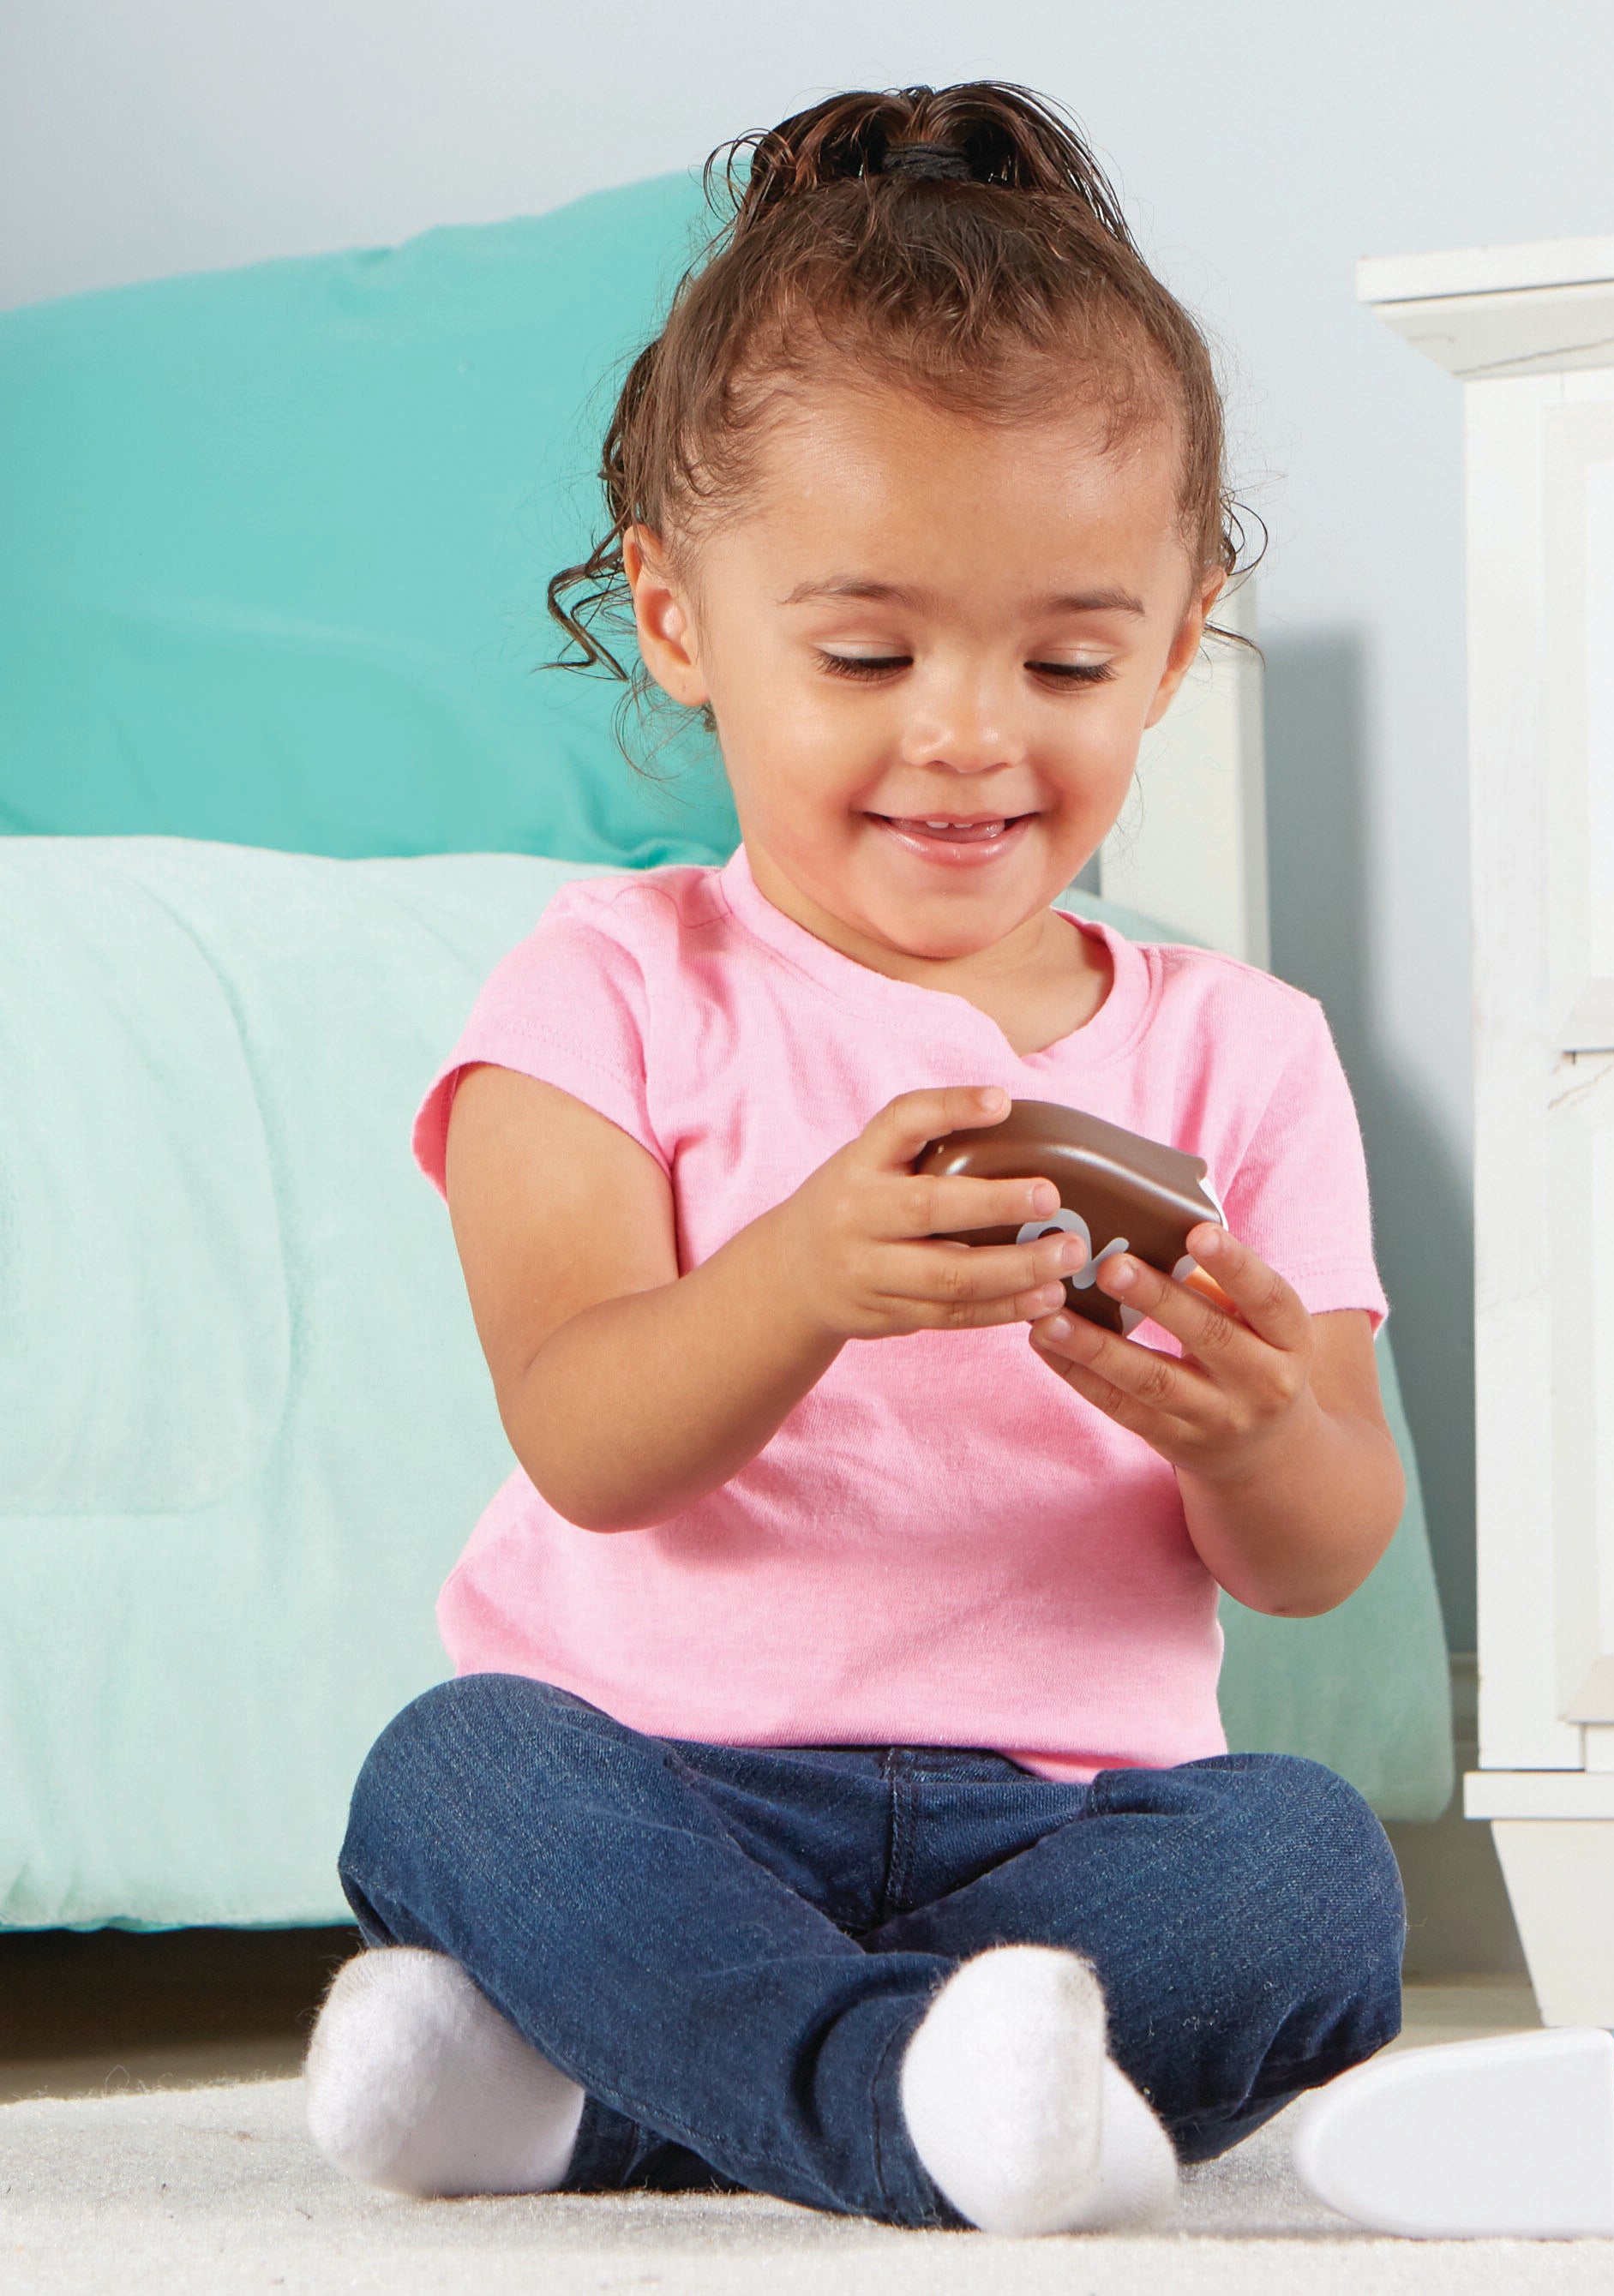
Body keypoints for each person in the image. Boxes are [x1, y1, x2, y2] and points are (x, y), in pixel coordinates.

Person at [297, 82, 1409, 2237]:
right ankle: (909, 2100)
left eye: (1067, 657)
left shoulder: (1242, 1048)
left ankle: (614, 2097)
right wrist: (799, 1280)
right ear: (679, 619)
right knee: (458, 1774)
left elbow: (1316, 1546)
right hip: (666, 1784)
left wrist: (1255, 1425)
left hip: (1065, 1827)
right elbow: (587, 1440)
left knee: (1307, 1871)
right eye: (869, 653)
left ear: (1178, 639)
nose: (968, 731)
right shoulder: (602, 987)